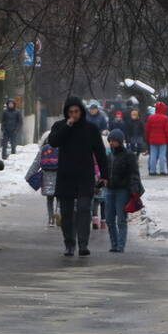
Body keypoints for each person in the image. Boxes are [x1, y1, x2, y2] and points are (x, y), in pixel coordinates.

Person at [48, 96, 109, 256]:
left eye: (76, 111)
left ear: (81, 111)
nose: (74, 115)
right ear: (66, 113)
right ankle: (69, 244)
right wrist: (67, 126)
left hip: (84, 176)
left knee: (84, 209)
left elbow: (100, 153)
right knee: (66, 213)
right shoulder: (60, 126)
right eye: (70, 112)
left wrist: (105, 174)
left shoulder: (90, 129)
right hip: (66, 176)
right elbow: (53, 142)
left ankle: (83, 245)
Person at [104, 129, 144, 252]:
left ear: (120, 142)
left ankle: (120, 246)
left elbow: (134, 174)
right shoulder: (109, 155)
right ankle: (114, 245)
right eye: (110, 141)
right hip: (110, 189)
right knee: (109, 219)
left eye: (114, 141)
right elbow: (105, 171)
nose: (111, 143)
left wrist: (133, 190)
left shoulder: (129, 155)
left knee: (121, 219)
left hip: (122, 190)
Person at [25, 137, 60, 225]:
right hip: (59, 176)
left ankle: (50, 218)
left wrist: (29, 175)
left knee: (49, 199)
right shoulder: (62, 148)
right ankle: (58, 212)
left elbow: (36, 163)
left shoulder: (44, 149)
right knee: (60, 197)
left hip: (46, 176)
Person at [144, 100, 168, 175]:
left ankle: (152, 171)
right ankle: (162, 170)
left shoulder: (151, 118)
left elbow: (147, 130)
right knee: (162, 156)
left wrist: (147, 139)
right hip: (163, 140)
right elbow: (167, 131)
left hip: (152, 140)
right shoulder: (165, 118)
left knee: (153, 155)